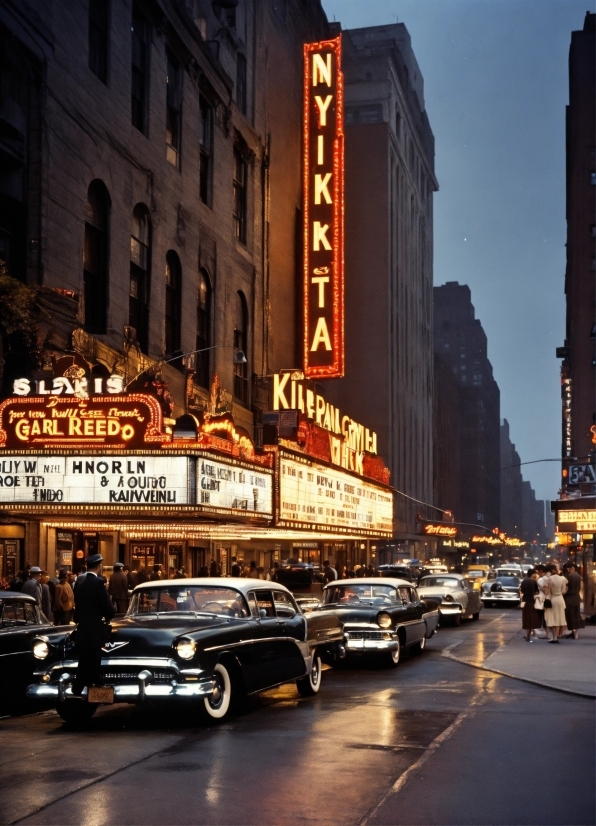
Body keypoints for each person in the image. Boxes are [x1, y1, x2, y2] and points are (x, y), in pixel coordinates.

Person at [72, 554, 115, 696]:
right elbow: (107, 608)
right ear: (98, 566)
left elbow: (77, 612)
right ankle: (94, 687)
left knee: (84, 659)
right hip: (95, 628)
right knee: (95, 658)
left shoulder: (80, 584)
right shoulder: (99, 583)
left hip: (83, 628)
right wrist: (109, 616)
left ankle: (79, 686)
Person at [544, 563, 568, 643]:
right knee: (559, 618)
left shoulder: (549, 579)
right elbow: (564, 590)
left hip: (553, 598)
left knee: (554, 618)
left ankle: (554, 637)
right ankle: (556, 637)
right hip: (560, 599)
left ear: (550, 571)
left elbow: (548, 591)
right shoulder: (563, 578)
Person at [563, 563, 582, 639]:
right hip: (576, 597)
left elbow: (567, 588)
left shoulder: (569, 576)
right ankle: (576, 632)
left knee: (570, 615)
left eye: (568, 569)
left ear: (571, 568)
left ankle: (572, 631)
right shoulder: (579, 576)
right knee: (576, 614)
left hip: (569, 598)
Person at [520, 568, 540, 641]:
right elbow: (536, 591)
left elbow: (521, 590)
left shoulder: (524, 581)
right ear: (532, 574)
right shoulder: (533, 582)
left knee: (526, 618)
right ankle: (529, 635)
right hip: (531, 601)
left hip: (525, 600)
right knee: (531, 619)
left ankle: (528, 634)